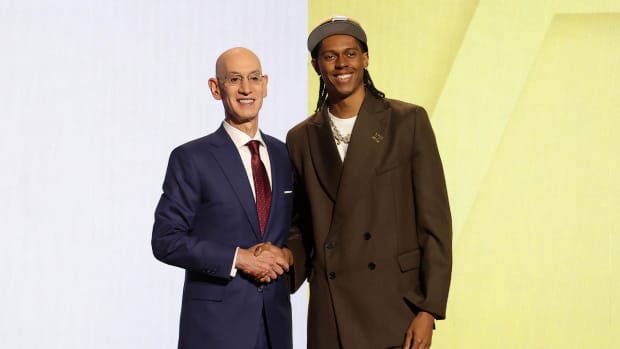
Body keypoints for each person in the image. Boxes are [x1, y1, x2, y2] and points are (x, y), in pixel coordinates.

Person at [286, 16, 452, 349]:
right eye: (330, 56)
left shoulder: (406, 122)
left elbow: (434, 222)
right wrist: (277, 265)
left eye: (350, 53)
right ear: (316, 65)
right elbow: (299, 227)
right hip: (331, 312)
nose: (341, 63)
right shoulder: (301, 138)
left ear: (365, 58)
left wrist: (428, 308)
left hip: (396, 307)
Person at [152, 47, 295, 349]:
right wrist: (239, 258)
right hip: (214, 330)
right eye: (234, 79)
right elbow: (166, 240)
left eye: (254, 78)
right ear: (216, 89)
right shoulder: (191, 158)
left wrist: (288, 255)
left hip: (275, 327)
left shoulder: (285, 155)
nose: (246, 88)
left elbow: (297, 229)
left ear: (265, 85)